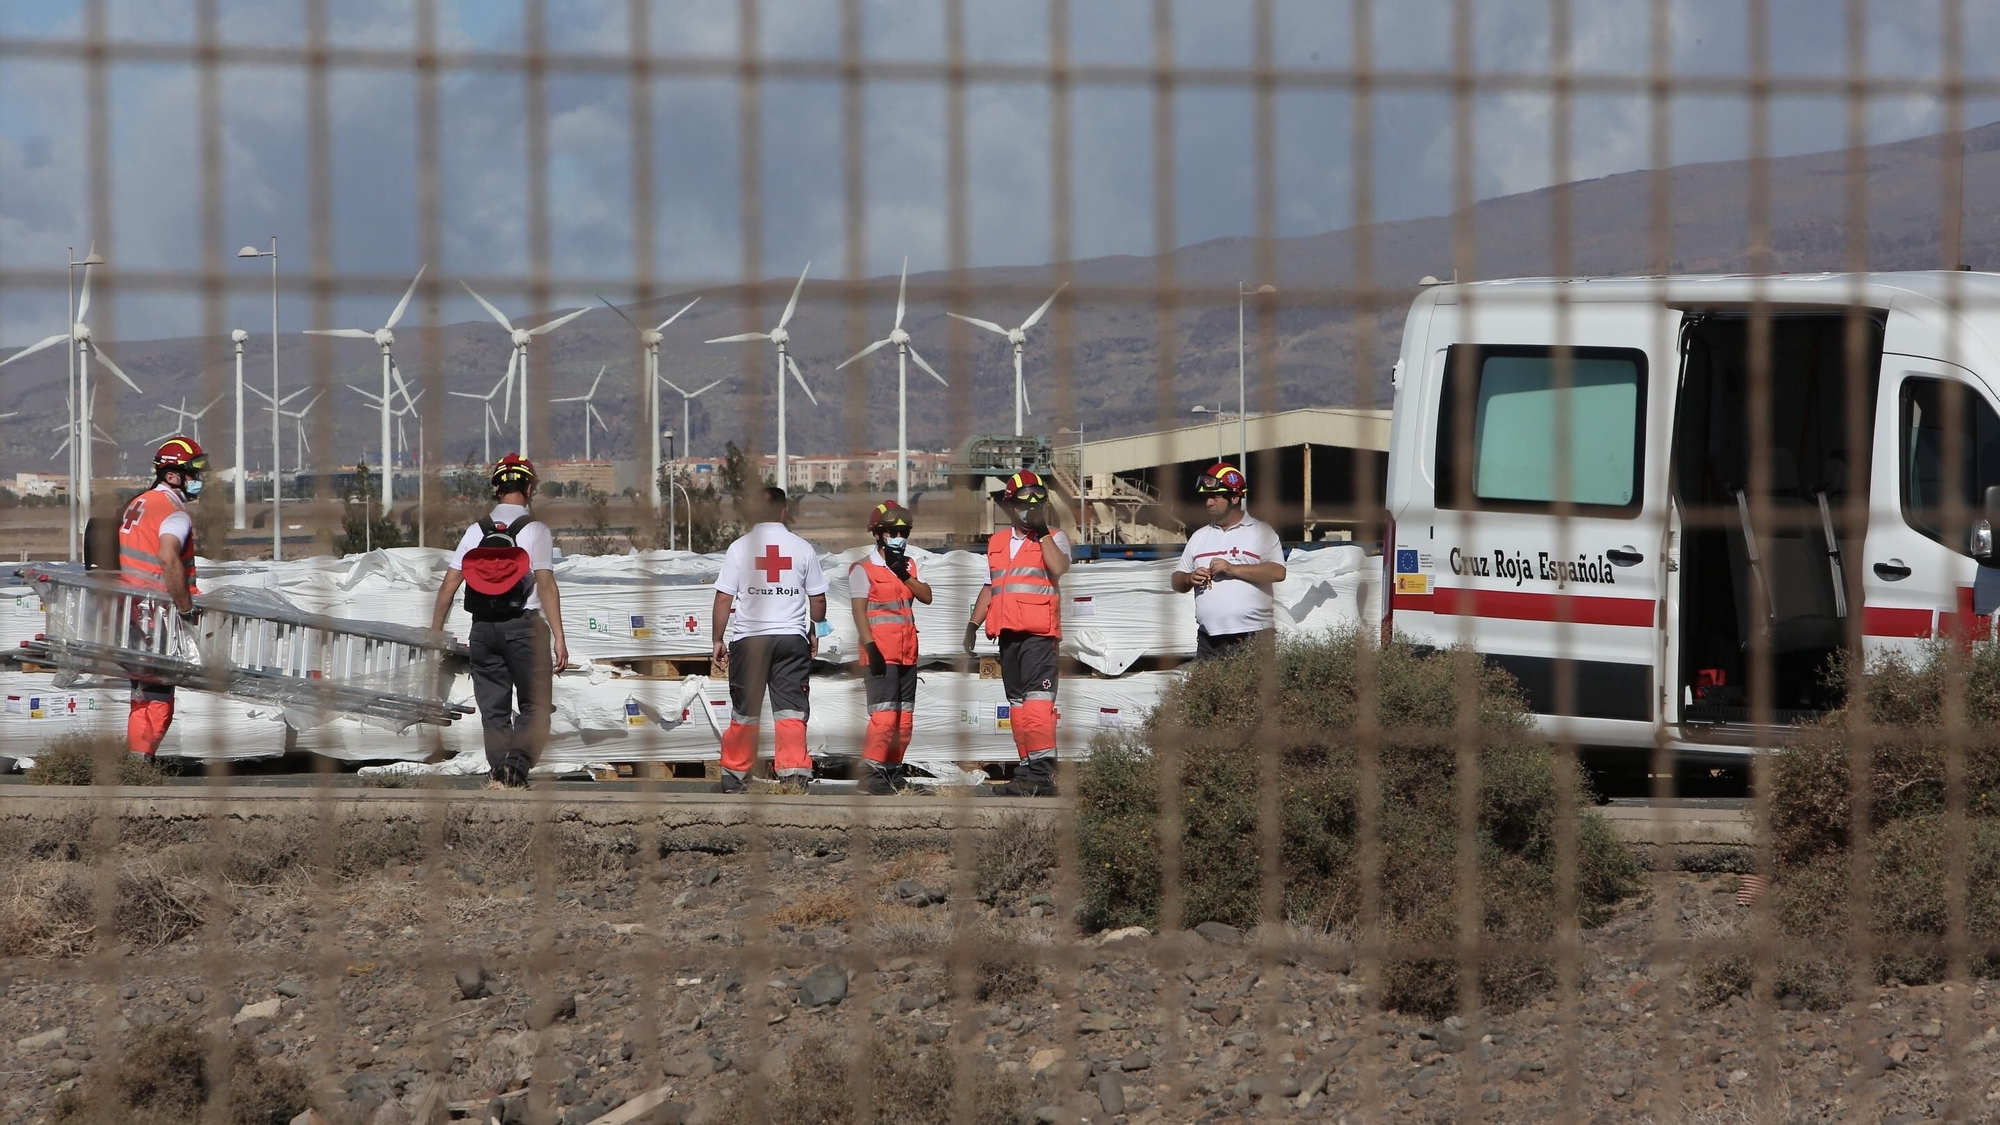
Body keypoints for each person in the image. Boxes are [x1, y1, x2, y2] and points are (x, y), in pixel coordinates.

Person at [430, 454, 568, 788]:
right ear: (530, 488)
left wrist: (435, 633)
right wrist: (560, 637)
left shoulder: (475, 531)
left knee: (494, 712)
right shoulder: (536, 530)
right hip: (524, 629)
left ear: (496, 488)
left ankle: (500, 777)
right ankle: (515, 768)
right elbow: (546, 584)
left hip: (482, 630)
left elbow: (449, 585)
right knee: (536, 706)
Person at [712, 487, 828, 793]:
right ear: (784, 511)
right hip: (791, 640)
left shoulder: (739, 548)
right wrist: (814, 630)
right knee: (791, 711)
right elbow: (817, 600)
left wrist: (717, 639)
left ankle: (735, 779)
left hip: (749, 641)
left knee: (745, 713)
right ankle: (794, 777)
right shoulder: (802, 548)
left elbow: (724, 598)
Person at [967, 470, 1070, 797]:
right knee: (1019, 708)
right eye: (1025, 503)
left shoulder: (1055, 537)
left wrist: (1042, 533)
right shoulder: (997, 543)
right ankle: (1026, 769)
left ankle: (1042, 775)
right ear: (1012, 506)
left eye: (1037, 503)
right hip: (1008, 636)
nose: (1031, 509)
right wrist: (973, 624)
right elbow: (991, 587)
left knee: (1038, 706)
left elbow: (1059, 568)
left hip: (1040, 635)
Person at [118, 437, 208, 758]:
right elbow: (168, 557)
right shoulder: (174, 513)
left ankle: (136, 759)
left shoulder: (138, 504)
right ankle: (141, 762)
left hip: (132, 615)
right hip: (158, 618)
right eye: (192, 472)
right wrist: (185, 609)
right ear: (172, 475)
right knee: (159, 697)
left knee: (142, 694)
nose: (198, 479)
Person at [849, 501, 933, 795]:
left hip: (907, 652)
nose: (900, 537)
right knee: (884, 718)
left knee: (903, 719)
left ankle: (892, 772)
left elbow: (926, 596)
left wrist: (903, 574)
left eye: (904, 532)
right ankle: (870, 774)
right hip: (880, 654)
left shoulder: (909, 565)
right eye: (893, 532)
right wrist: (870, 646)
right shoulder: (863, 569)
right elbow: (859, 611)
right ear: (878, 534)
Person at [1171, 462, 1286, 660]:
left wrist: (1233, 569)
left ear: (1234, 498)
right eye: (1207, 497)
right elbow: (1176, 581)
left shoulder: (1261, 532)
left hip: (1254, 636)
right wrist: (1189, 578)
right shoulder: (1199, 537)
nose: (1208, 503)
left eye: (1215, 497)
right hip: (1209, 640)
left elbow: (1278, 572)